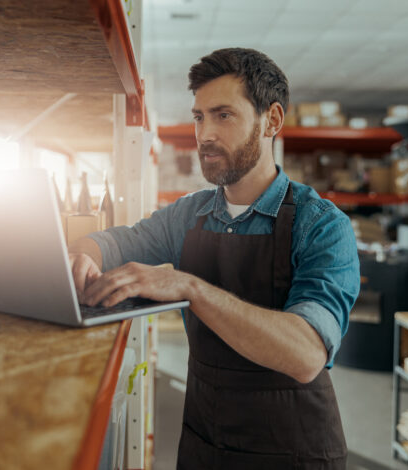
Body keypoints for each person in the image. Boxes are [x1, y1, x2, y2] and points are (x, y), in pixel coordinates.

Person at [68, 48, 360, 469]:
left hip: (293, 452)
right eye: (199, 116)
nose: (204, 134)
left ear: (271, 121)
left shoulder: (321, 226)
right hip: (206, 441)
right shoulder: (189, 214)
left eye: (223, 115)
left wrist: (189, 287)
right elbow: (119, 242)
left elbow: (306, 354)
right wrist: (82, 252)